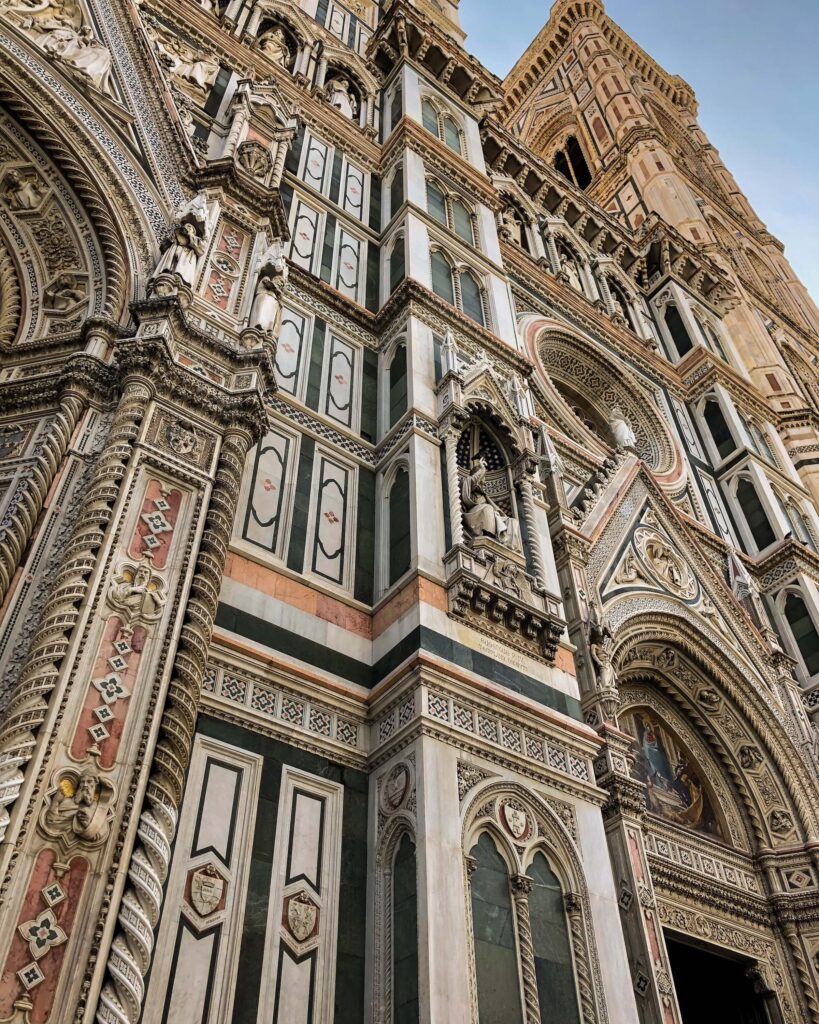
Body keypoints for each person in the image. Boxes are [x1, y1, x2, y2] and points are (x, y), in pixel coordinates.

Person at [461, 456, 522, 552]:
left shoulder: (482, 493)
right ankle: (489, 536)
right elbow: (473, 481)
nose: (484, 481)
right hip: (474, 514)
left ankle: (510, 547)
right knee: (488, 508)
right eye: (483, 477)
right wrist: (482, 469)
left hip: (487, 514)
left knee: (512, 521)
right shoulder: (468, 484)